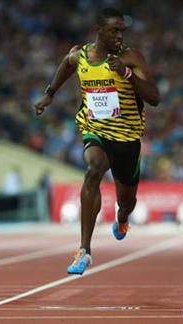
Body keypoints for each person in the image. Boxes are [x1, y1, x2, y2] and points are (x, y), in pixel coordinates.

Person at [34, 8, 160, 275]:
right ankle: (84, 251)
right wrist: (49, 94)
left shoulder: (130, 57)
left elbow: (154, 97)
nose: (119, 36)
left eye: (122, 31)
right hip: (95, 132)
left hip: (127, 139)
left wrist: (127, 74)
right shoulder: (80, 55)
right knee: (92, 172)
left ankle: (122, 217)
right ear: (99, 30)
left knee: (127, 202)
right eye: (114, 31)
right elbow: (66, 65)